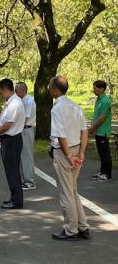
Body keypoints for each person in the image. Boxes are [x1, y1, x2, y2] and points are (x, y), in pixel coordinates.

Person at [48, 76, 90, 241]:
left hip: (64, 151)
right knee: (72, 190)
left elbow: (61, 136)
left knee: (66, 192)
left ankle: (71, 229)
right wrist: (81, 153)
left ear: (56, 90)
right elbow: (84, 131)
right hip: (77, 148)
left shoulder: (57, 109)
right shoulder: (76, 106)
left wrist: (69, 156)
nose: (49, 88)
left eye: (50, 86)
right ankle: (83, 226)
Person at [0, 78, 25, 209]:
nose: (1, 94)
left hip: (11, 140)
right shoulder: (12, 102)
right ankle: (14, 197)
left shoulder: (14, 104)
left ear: (5, 89)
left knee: (12, 171)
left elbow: (7, 125)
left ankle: (16, 200)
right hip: (10, 139)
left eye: (0, 91)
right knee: (11, 171)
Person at [89, 80, 112, 181]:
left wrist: (92, 128)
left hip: (103, 131)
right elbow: (96, 115)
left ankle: (107, 174)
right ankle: (102, 172)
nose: (93, 90)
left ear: (102, 89)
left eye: (95, 88)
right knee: (101, 153)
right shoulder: (99, 99)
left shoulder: (105, 101)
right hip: (98, 131)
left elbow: (102, 118)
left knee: (105, 153)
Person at [15, 82, 37, 190]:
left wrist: (15, 128)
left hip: (26, 129)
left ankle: (30, 181)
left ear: (23, 90)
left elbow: (26, 118)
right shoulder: (22, 100)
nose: (15, 91)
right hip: (22, 130)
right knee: (22, 156)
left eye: (17, 90)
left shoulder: (29, 100)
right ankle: (25, 179)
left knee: (27, 156)